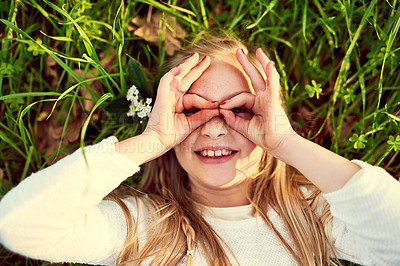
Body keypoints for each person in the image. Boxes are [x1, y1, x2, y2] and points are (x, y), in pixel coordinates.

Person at [0, 35, 399, 266]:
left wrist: (287, 143)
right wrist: (151, 141)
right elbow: (19, 226)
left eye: (240, 109)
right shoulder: (143, 228)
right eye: (191, 110)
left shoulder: (312, 216)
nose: (214, 126)